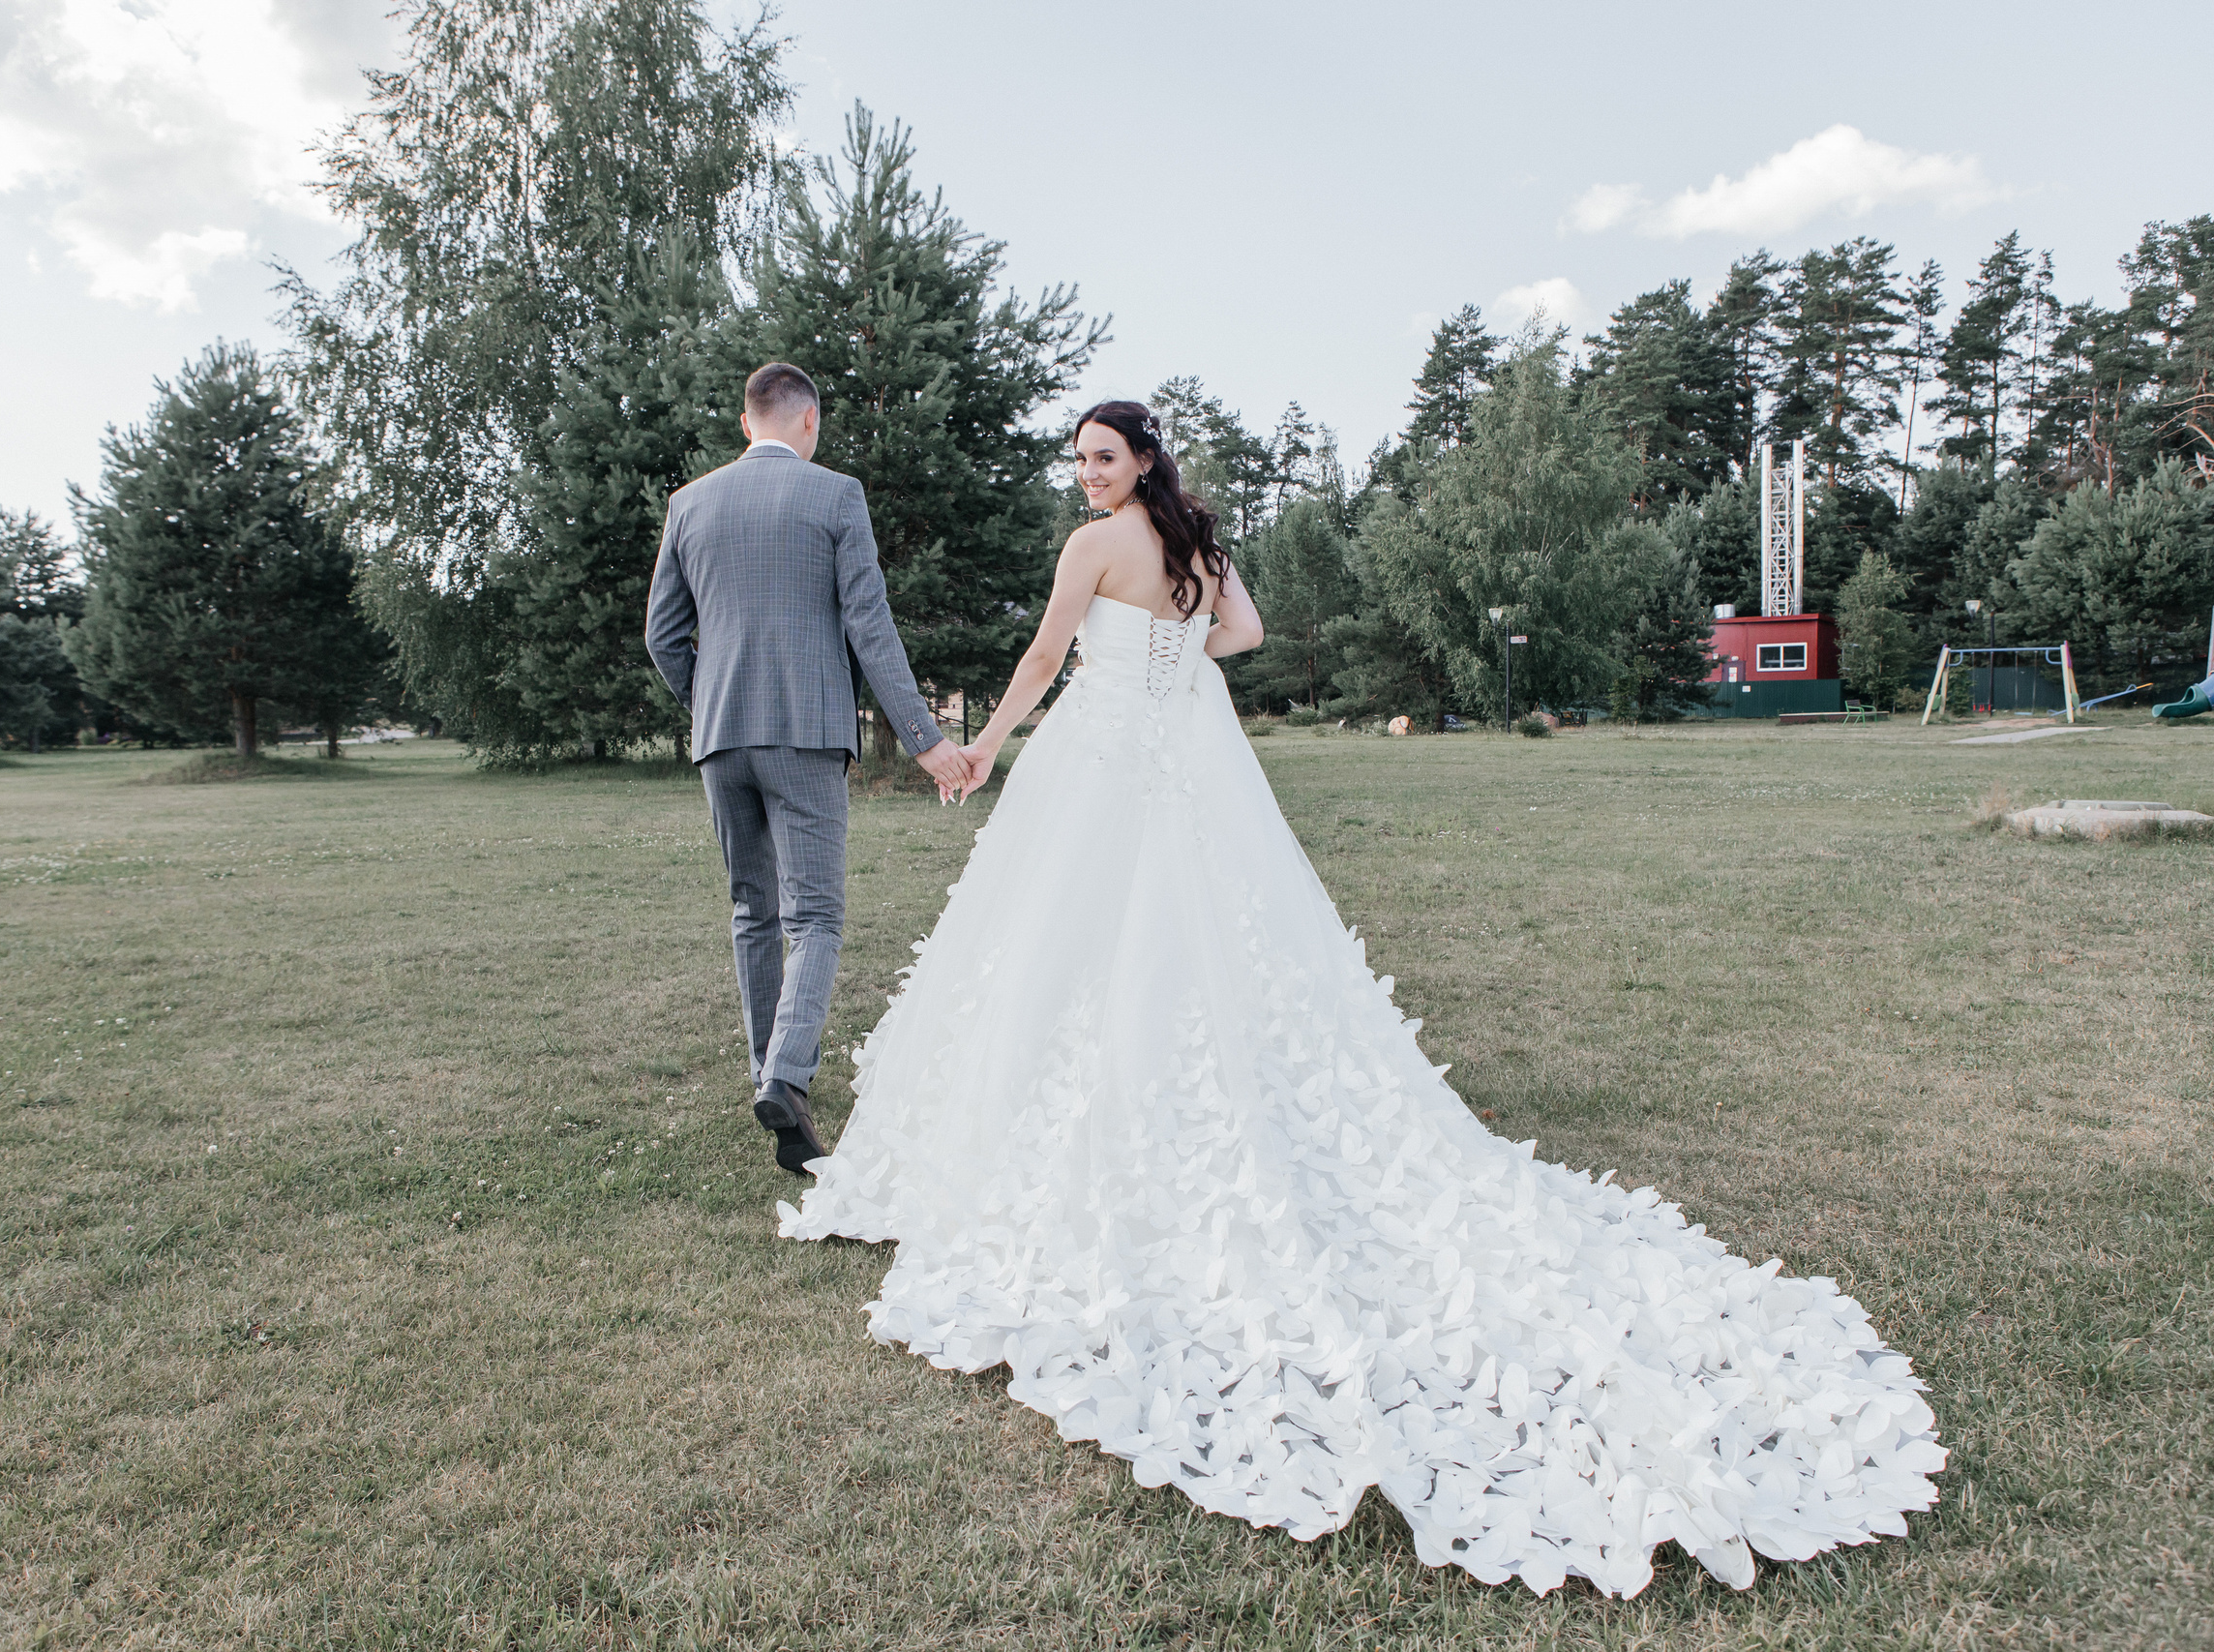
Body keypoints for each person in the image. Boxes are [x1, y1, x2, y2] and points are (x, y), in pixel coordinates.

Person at [777, 400, 1945, 1599]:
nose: (1086, 475)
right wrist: (1167, 650)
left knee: (1070, 931)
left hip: (1105, 746)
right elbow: (1246, 634)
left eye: (1103, 458)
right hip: (1185, 742)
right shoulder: (1193, 542)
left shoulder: (1094, 545)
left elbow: (1038, 659)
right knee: (1193, 931)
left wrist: (991, 743)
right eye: (1079, 459)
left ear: (1139, 463)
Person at [644, 362, 977, 1177]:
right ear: (809, 423)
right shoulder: (836, 496)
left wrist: (709, 699)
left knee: (753, 912)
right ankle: (787, 1078)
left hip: (720, 738)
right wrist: (926, 736)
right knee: (817, 917)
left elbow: (662, 635)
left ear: (745, 422)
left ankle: (773, 1079)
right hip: (806, 732)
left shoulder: (688, 505)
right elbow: (869, 623)